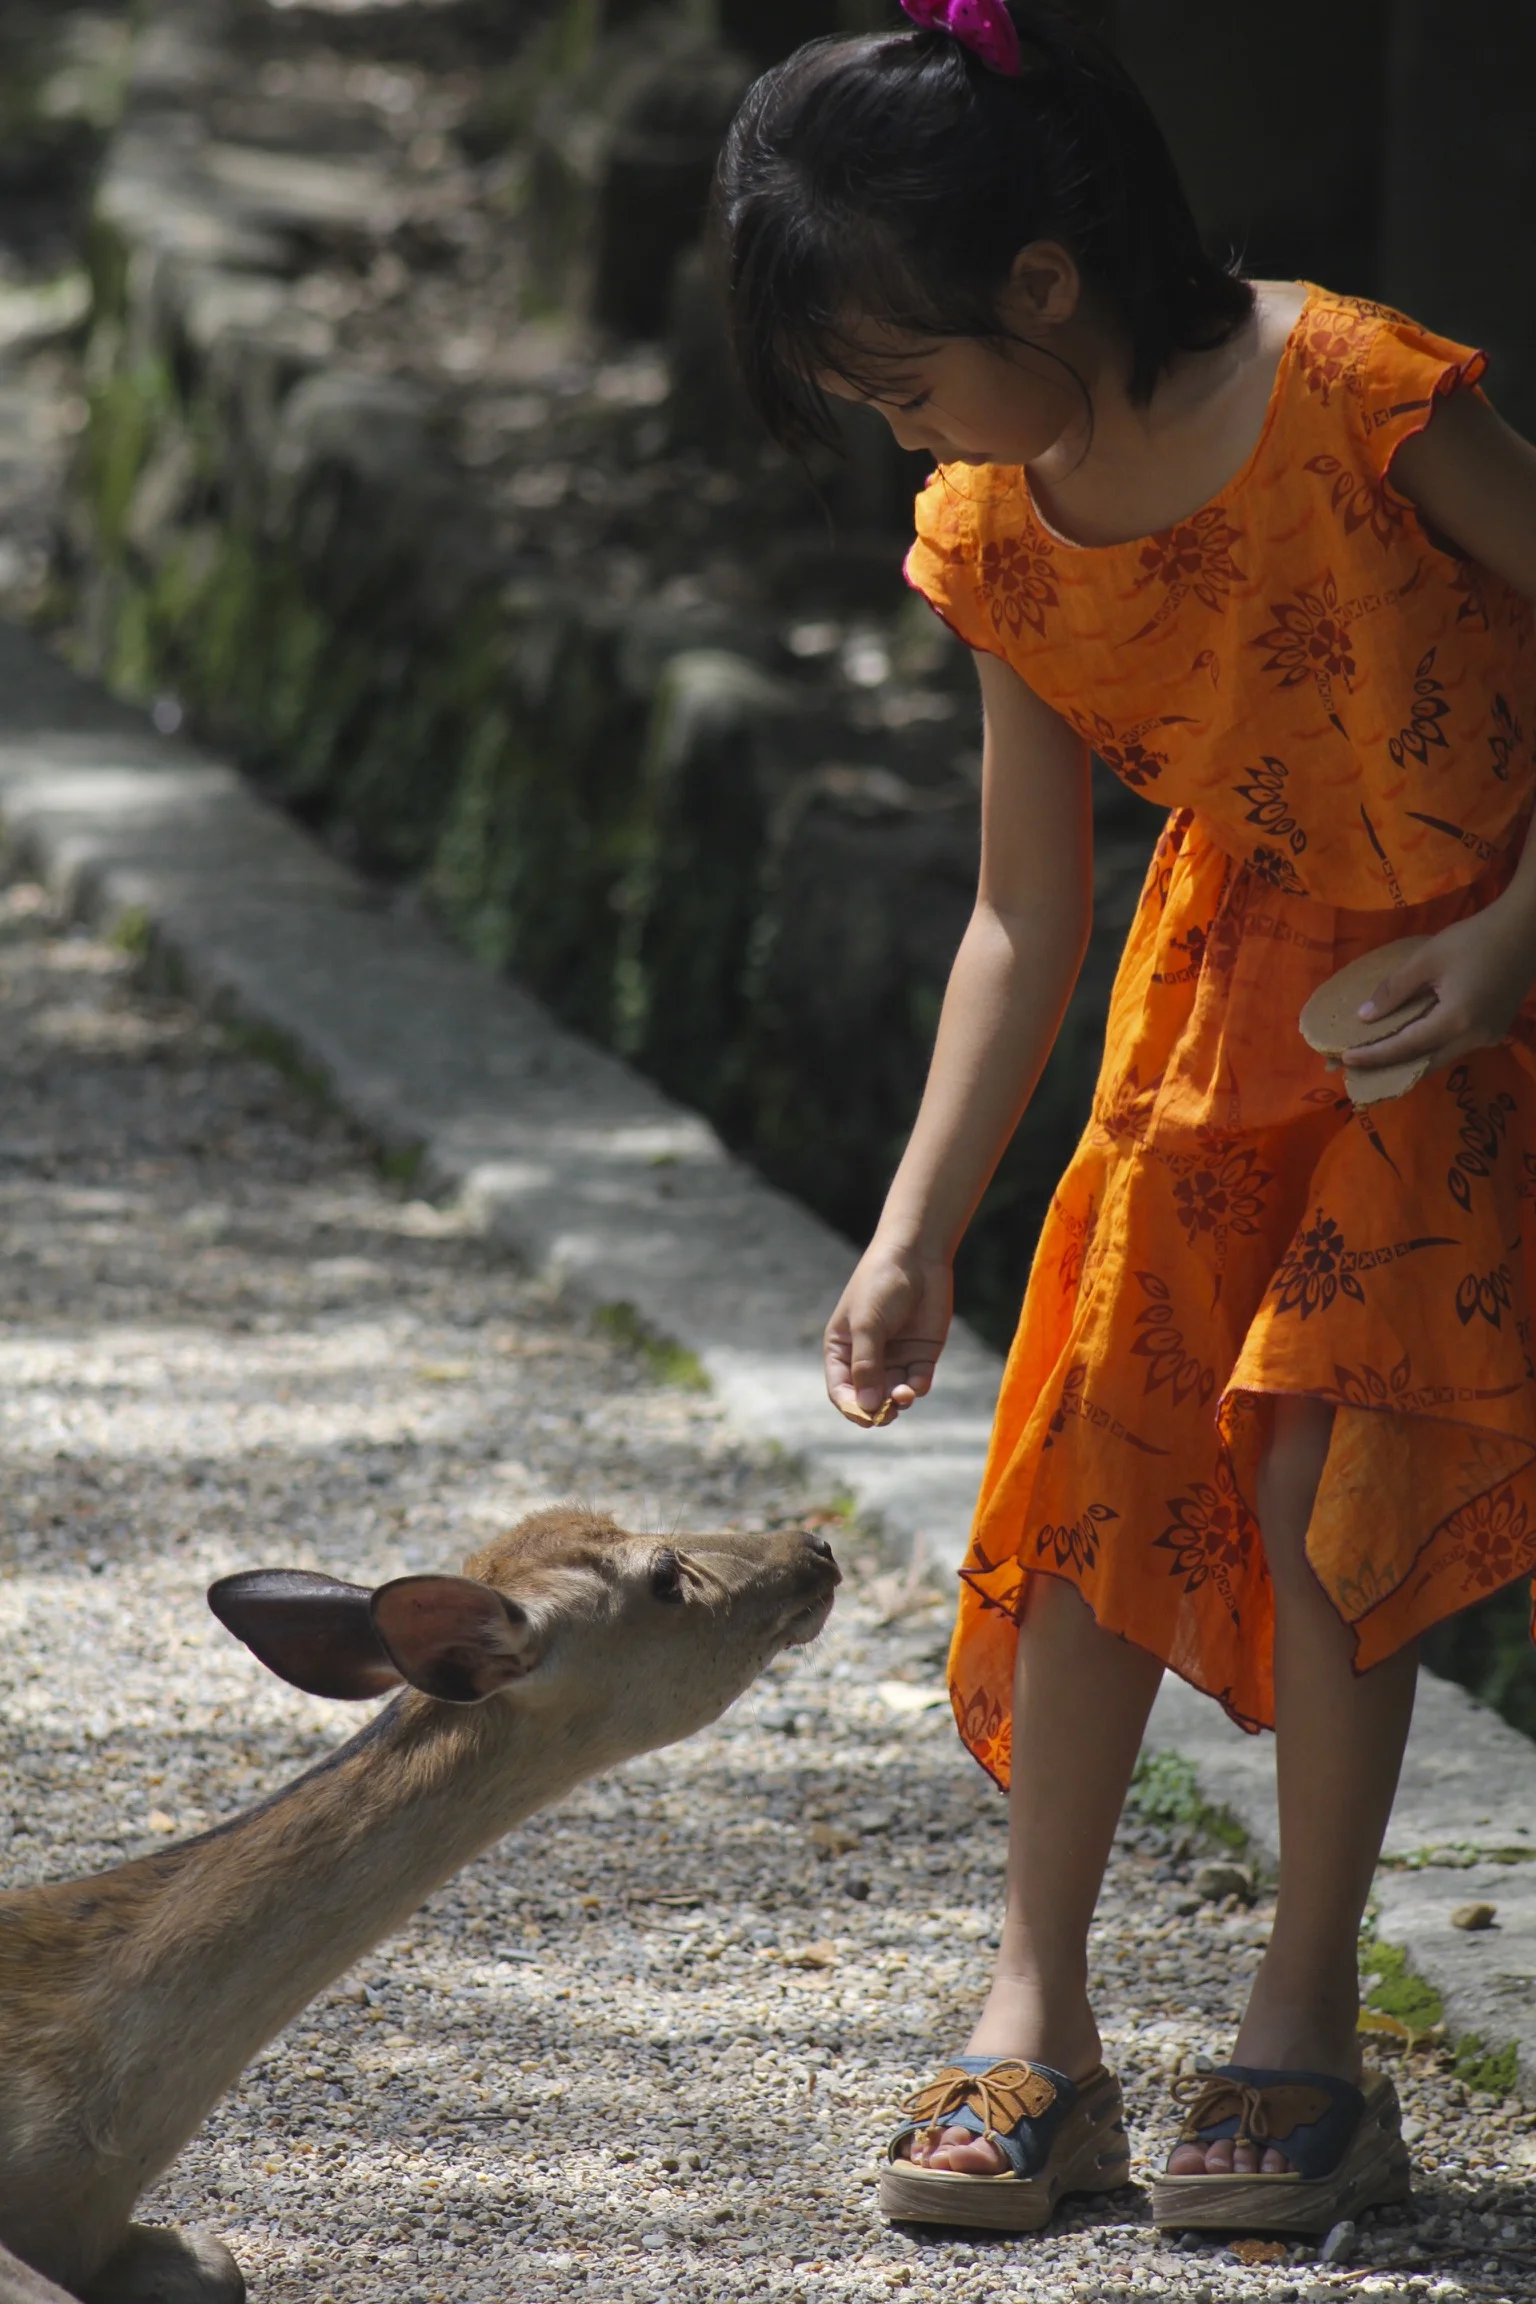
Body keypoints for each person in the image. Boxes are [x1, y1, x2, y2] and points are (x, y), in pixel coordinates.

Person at [716, 0, 1536, 2239]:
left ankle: (1309, 2037)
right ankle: (1032, 2020)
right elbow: (1016, 916)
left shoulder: (1368, 395)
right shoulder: (999, 519)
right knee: (1097, 1425)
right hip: (1224, 999)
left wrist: (1516, 939)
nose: (904, 430)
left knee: (1311, 1459)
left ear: (1045, 287)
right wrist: (906, 1233)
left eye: (904, 378)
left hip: (1455, 1004)